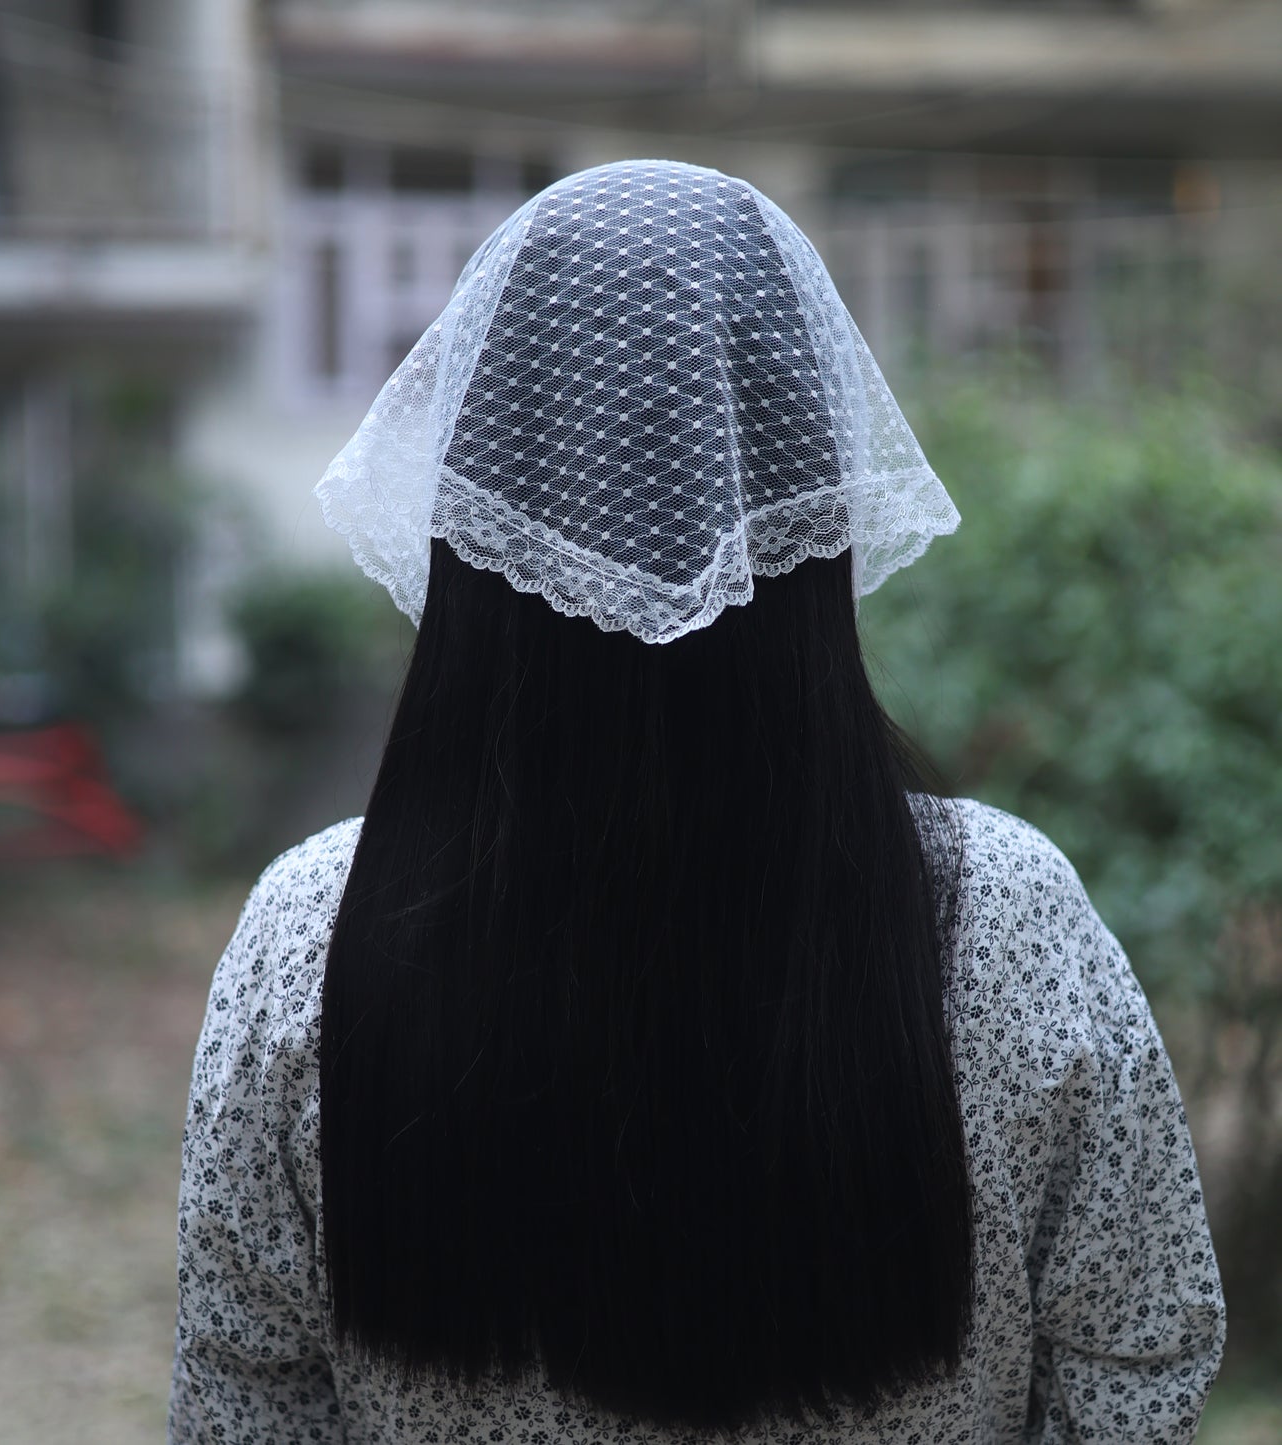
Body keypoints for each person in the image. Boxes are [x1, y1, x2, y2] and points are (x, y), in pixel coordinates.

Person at [168, 160, 1224, 1443]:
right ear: (810, 496)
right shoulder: (1009, 926)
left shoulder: (308, 941)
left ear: (468, 493)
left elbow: (242, 1397)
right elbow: (1139, 1374)